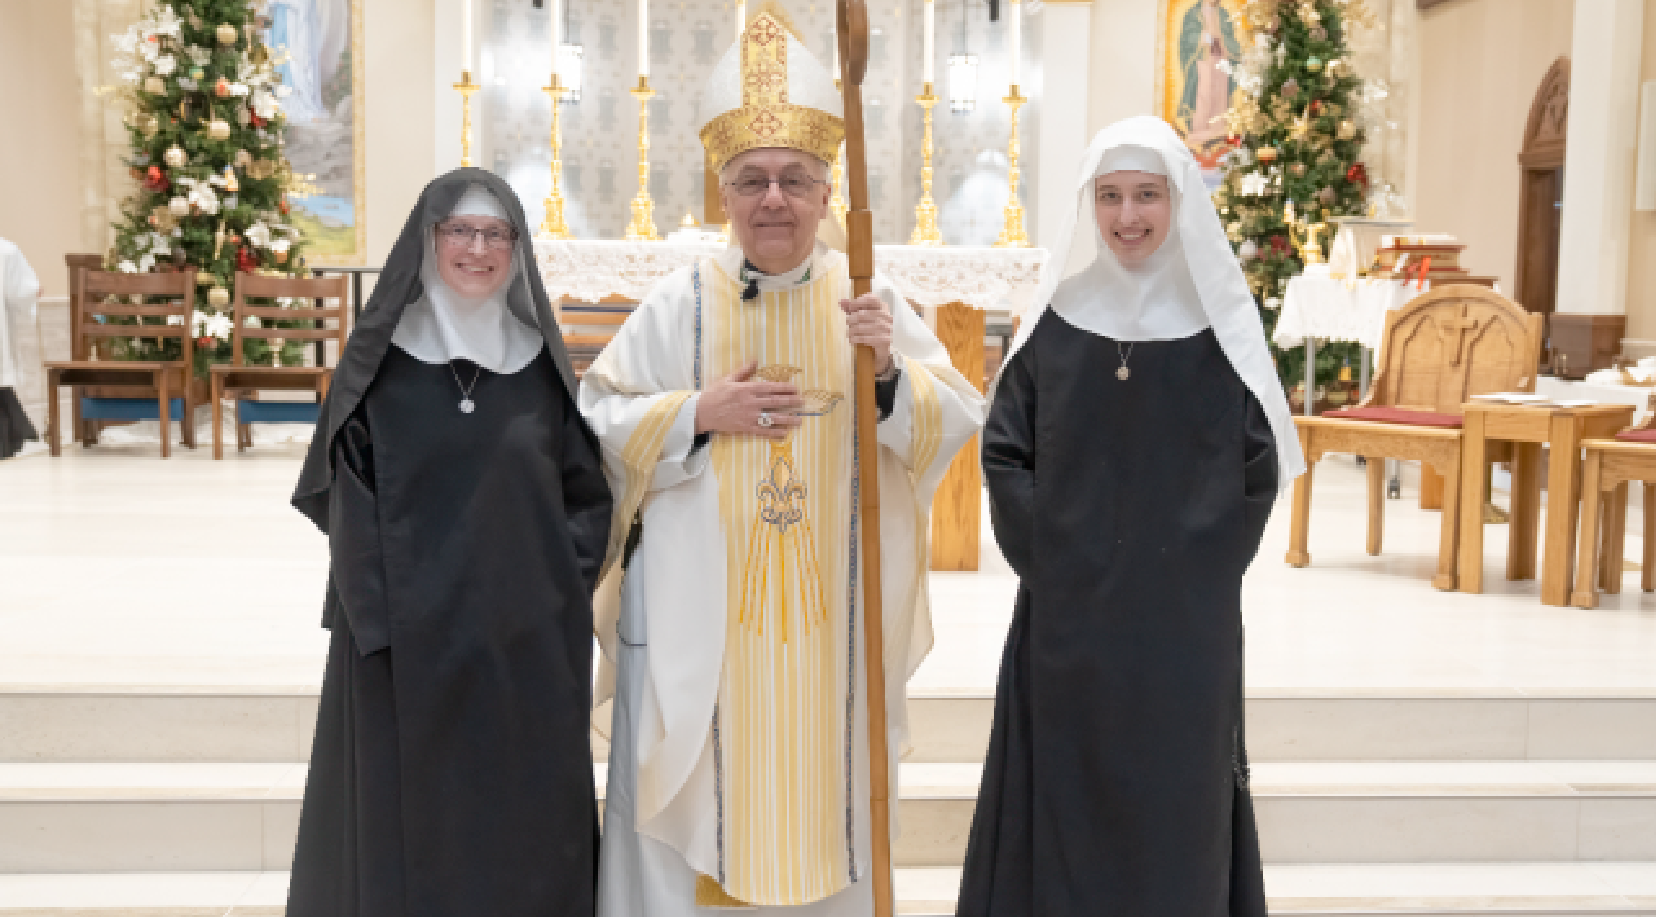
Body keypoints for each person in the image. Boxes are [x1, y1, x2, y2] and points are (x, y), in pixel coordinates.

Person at [582, 9, 985, 916]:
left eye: (795, 180)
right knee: (691, 788)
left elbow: (956, 417)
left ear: (825, 192)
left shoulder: (868, 302)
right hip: (697, 616)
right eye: (752, 180)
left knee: (826, 775)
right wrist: (696, 413)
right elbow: (597, 417)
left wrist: (886, 376)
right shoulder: (678, 304)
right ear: (722, 192)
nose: (773, 199)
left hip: (834, 620)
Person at [954, 116, 1304, 917]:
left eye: (1146, 195)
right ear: (1088, 204)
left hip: (1185, 621)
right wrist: (1061, 562)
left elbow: (1255, 466)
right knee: (1067, 789)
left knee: (1178, 795)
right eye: (1109, 196)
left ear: (1178, 201)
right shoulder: (1057, 319)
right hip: (1067, 613)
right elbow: (1005, 455)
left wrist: (1191, 567)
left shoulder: (1220, 327)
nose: (1127, 216)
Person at [286, 169, 612, 917]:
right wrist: (385, 624)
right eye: (459, 231)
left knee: (522, 822)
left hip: (522, 647)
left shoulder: (537, 365)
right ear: (427, 241)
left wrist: (554, 600)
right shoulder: (377, 366)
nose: (478, 249)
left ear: (516, 249)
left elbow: (585, 495)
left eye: (496, 234)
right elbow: (345, 496)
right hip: (403, 645)